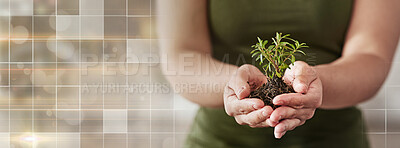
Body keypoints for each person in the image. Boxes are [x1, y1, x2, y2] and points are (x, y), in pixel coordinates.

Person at [158, 0, 400, 147]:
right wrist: (234, 87)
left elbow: (372, 56)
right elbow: (181, 56)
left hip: (335, 140)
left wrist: (316, 83)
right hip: (219, 142)